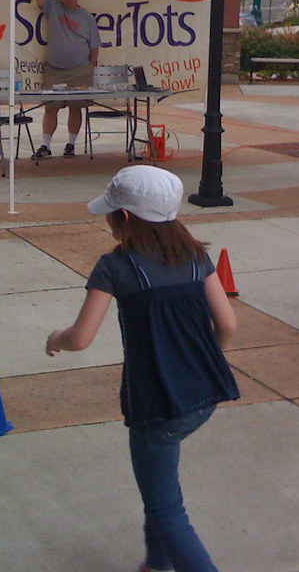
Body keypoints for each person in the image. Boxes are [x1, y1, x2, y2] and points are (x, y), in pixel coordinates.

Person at [46, 165, 238, 572]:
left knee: (168, 509)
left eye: (111, 214)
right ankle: (156, 563)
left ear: (125, 218)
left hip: (156, 405)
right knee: (160, 489)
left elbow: (80, 338)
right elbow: (228, 325)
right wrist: (203, 360)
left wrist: (55, 338)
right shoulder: (195, 257)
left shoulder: (116, 267)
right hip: (204, 394)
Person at [31, 0, 101, 159]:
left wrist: (90, 67)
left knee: (75, 108)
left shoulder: (87, 17)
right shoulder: (53, 7)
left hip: (80, 70)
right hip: (54, 69)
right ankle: (46, 146)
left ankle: (71, 144)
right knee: (50, 108)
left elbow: (94, 45)